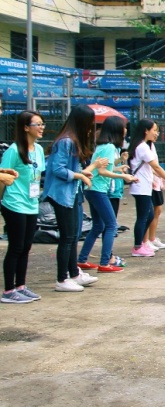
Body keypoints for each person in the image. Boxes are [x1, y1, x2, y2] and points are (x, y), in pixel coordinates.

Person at [42, 105, 103, 292]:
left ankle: (74, 273)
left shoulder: (73, 141)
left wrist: (82, 174)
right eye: (90, 122)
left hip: (71, 193)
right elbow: (57, 169)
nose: (91, 127)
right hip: (60, 194)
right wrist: (80, 175)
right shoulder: (66, 141)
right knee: (67, 237)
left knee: (73, 236)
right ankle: (62, 279)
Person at [78, 116, 137, 272]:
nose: (125, 131)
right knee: (111, 225)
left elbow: (103, 169)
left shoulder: (102, 146)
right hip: (98, 190)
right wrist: (123, 176)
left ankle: (82, 259)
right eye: (123, 127)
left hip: (93, 190)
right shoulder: (109, 147)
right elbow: (103, 171)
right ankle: (105, 262)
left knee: (98, 226)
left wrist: (118, 168)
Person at [0, 110, 43, 302]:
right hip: (14, 203)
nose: (42, 127)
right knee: (16, 247)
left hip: (31, 203)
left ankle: (21, 286)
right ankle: (9, 290)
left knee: (26, 247)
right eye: (37, 124)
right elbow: (3, 176)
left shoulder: (39, 150)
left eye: (42, 124)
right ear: (26, 128)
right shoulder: (14, 150)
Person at [128, 119, 165, 257]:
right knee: (144, 216)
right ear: (146, 130)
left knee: (149, 215)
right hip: (141, 187)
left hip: (144, 186)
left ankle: (142, 243)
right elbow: (156, 166)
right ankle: (138, 247)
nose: (156, 133)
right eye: (154, 130)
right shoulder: (142, 147)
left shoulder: (143, 146)